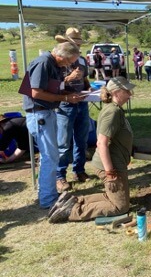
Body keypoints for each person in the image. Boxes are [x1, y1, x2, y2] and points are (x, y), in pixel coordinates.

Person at [48, 76, 136, 224]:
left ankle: (72, 200)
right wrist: (110, 173)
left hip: (115, 162)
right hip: (110, 165)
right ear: (116, 92)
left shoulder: (116, 110)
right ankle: (72, 211)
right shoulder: (112, 112)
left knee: (114, 197)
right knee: (120, 207)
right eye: (127, 91)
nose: (130, 95)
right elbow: (101, 143)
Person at [22, 41, 83, 209]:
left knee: (49, 155)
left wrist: (68, 93)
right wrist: (65, 98)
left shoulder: (51, 63)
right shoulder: (43, 63)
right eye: (70, 61)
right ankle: (48, 199)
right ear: (61, 56)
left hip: (46, 113)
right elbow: (35, 92)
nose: (70, 65)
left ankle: (47, 194)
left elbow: (50, 87)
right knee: (50, 156)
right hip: (39, 114)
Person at [54, 28, 91, 192]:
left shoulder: (82, 60)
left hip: (82, 102)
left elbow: (85, 78)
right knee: (64, 141)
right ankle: (60, 175)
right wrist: (69, 78)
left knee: (81, 139)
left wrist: (89, 89)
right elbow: (52, 84)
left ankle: (79, 170)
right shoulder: (58, 59)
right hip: (65, 103)